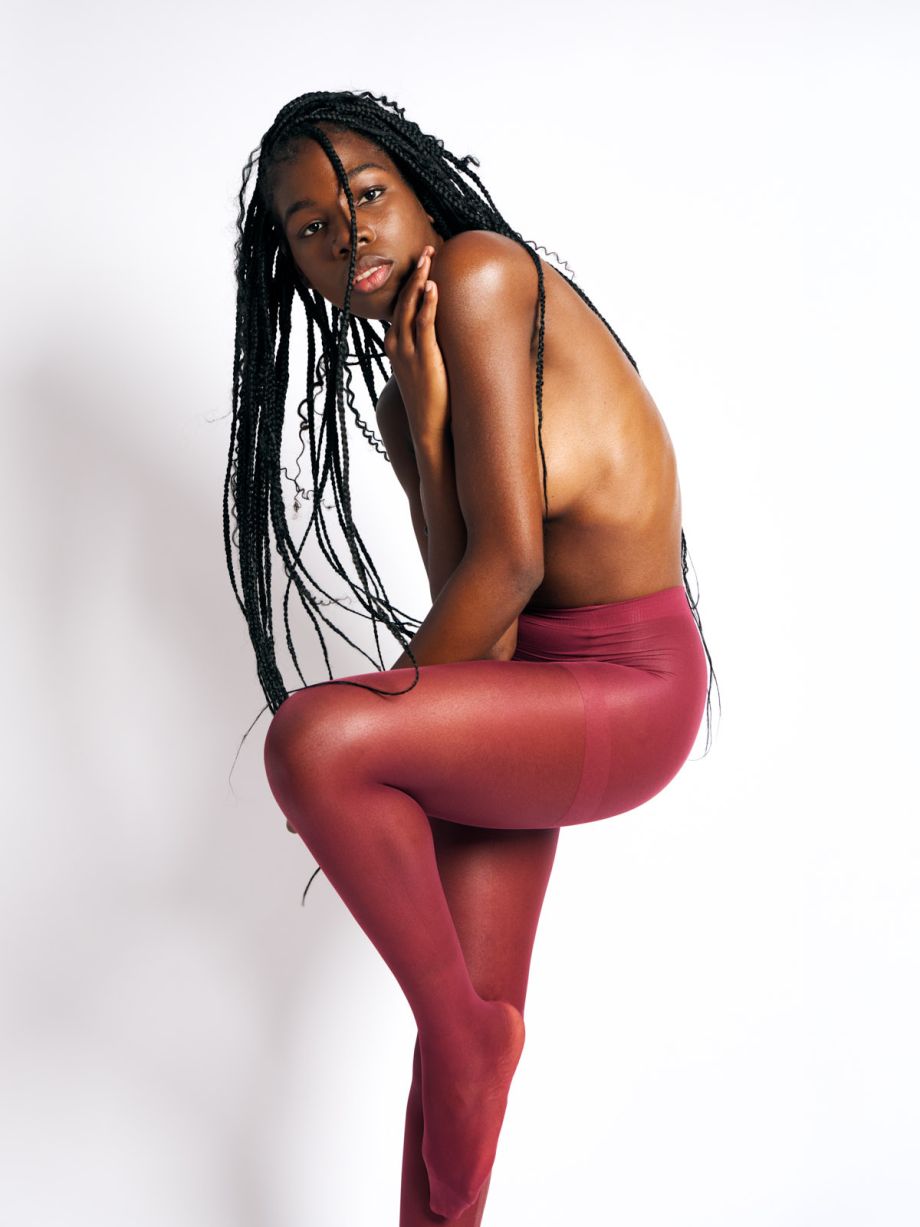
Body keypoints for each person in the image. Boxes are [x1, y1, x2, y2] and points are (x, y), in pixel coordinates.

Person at [225, 89, 720, 1224]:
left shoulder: (484, 274)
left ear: (416, 190)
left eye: (366, 195)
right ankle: (462, 1047)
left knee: (316, 742)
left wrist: (358, 747)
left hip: (625, 688)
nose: (348, 234)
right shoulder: (407, 383)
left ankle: (465, 1032)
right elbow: (482, 611)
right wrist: (427, 424)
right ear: (294, 265)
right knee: (454, 1084)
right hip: (527, 691)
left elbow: (507, 566)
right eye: (311, 226)